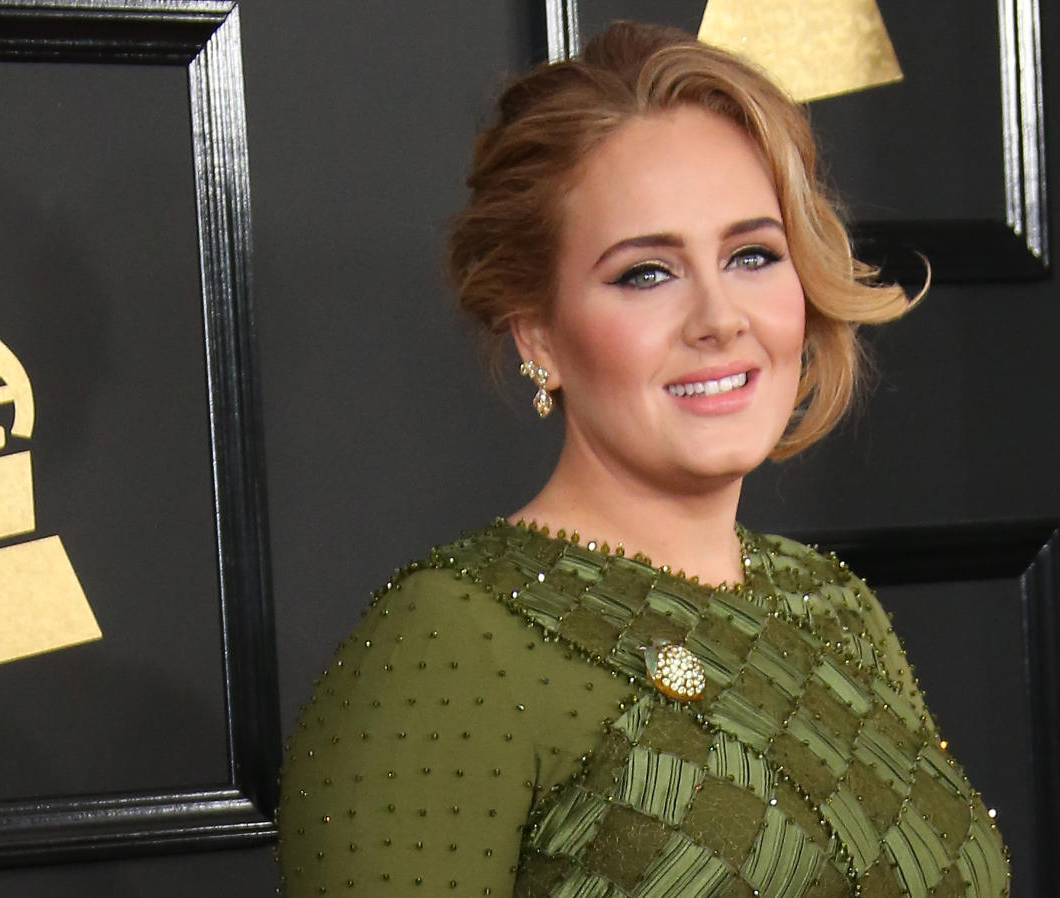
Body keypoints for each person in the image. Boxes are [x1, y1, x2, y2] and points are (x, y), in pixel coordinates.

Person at [276, 21, 1010, 898]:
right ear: (538, 331)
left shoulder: (832, 606)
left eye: (752, 255)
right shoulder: (449, 643)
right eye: (647, 274)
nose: (719, 318)